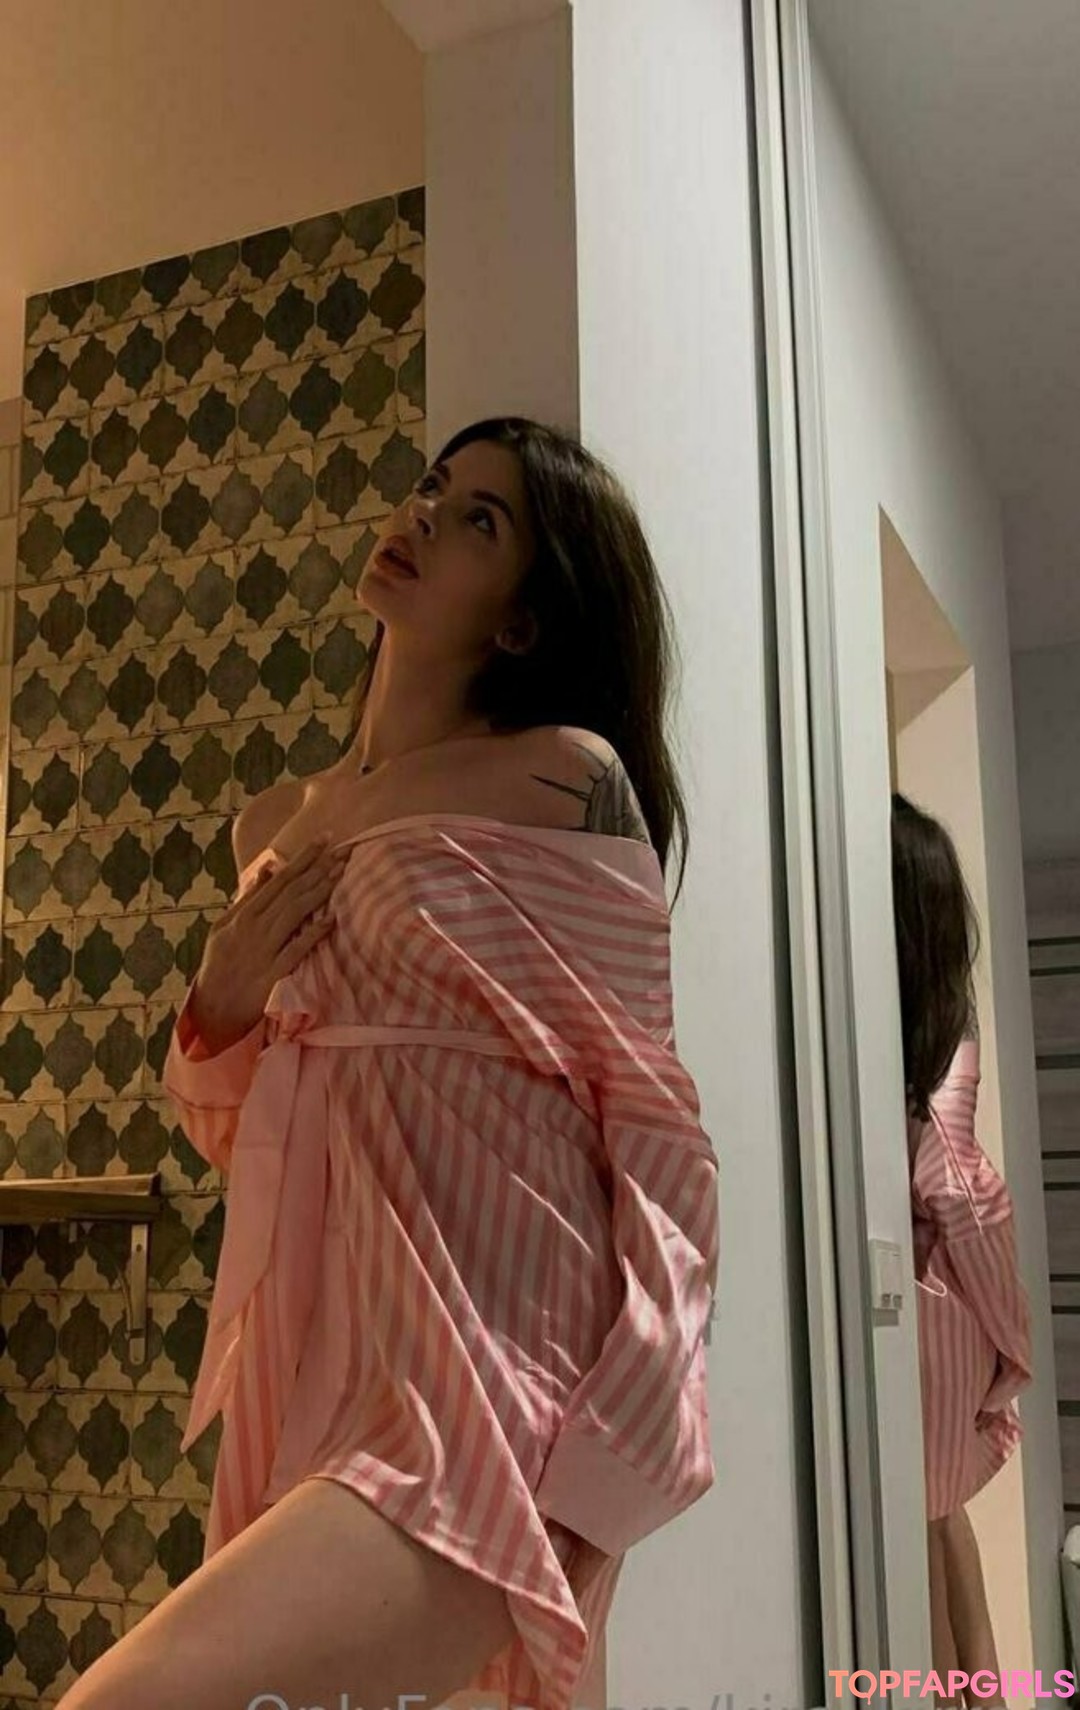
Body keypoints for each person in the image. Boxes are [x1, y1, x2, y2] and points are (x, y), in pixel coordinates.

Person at [57, 417, 720, 1710]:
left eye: (479, 518)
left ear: (524, 620)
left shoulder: (561, 779)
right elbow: (253, 1130)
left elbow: (653, 1125)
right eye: (433, 487)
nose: (423, 513)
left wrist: (624, 1451)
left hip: (487, 1378)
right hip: (319, 1358)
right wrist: (218, 1006)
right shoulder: (274, 824)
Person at [891, 793, 1032, 1708]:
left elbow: (954, 1186)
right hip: (949, 1319)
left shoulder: (919, 1054)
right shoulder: (944, 1033)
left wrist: (1014, 1344)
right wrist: (1008, 1346)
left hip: (928, 1312)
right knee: (943, 1524)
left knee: (926, 1533)